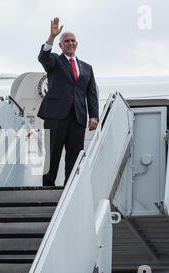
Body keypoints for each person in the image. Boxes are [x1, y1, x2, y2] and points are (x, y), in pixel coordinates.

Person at [38, 17, 99, 186]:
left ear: (77, 44)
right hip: (55, 116)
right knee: (53, 155)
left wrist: (94, 116)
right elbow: (43, 57)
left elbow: (91, 93)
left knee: (74, 156)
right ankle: (47, 190)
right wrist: (51, 36)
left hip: (78, 118)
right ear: (60, 45)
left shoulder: (87, 68)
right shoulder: (55, 61)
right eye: (66, 41)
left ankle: (70, 190)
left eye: (73, 41)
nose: (70, 43)